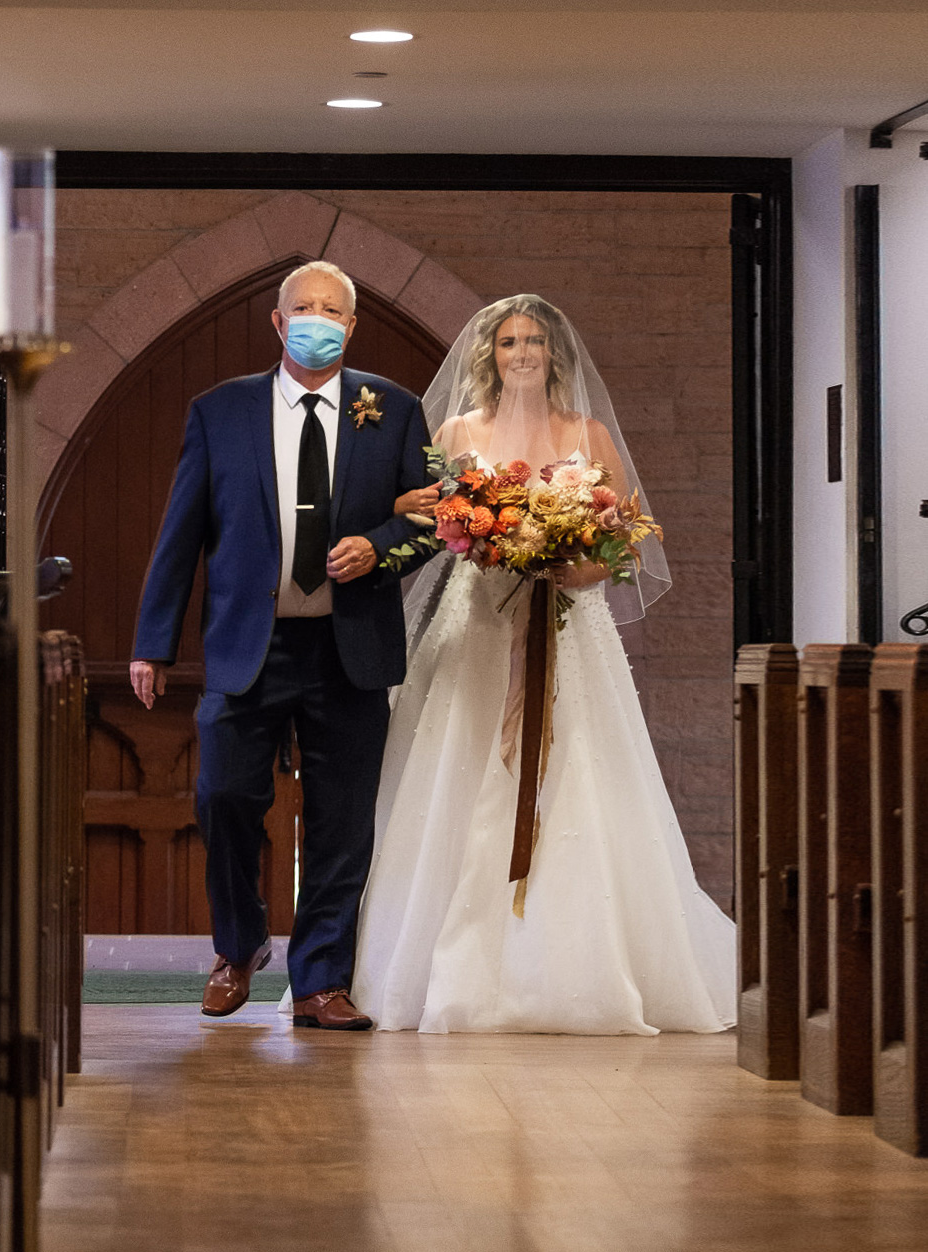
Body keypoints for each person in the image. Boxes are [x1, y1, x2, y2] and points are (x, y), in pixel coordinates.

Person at [351, 294, 737, 1034]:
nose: (520, 352)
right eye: (506, 342)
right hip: (479, 628)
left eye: (531, 341)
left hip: (566, 626)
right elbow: (419, 510)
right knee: (457, 771)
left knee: (578, 774)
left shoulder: (584, 432)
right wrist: (473, 529)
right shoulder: (458, 430)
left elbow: (622, 537)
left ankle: (576, 967)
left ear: (553, 353)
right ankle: (431, 966)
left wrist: (576, 568)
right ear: (489, 356)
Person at [131, 261, 431, 1030]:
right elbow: (181, 534)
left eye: (332, 310)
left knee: (340, 819)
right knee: (223, 797)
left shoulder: (392, 410)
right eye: (303, 308)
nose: (317, 319)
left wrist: (379, 547)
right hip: (245, 646)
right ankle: (237, 949)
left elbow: (431, 520)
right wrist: (151, 643)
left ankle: (321, 981)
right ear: (276, 321)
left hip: (349, 646)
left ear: (352, 326)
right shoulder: (219, 411)